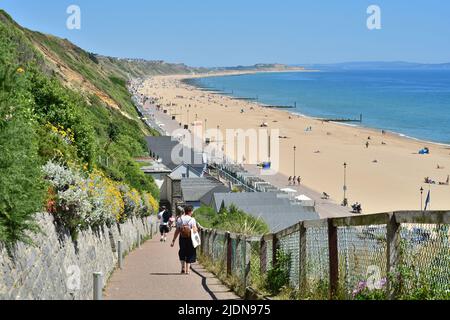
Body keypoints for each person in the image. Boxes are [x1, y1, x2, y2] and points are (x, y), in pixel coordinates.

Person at [171, 205, 198, 275]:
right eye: (192, 211)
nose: (192, 212)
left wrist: (173, 240)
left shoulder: (179, 219)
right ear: (189, 211)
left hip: (182, 238)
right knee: (190, 252)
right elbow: (195, 230)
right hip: (190, 238)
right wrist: (196, 229)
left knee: (182, 252)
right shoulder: (192, 219)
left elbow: (177, 231)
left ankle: (182, 267)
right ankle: (188, 270)